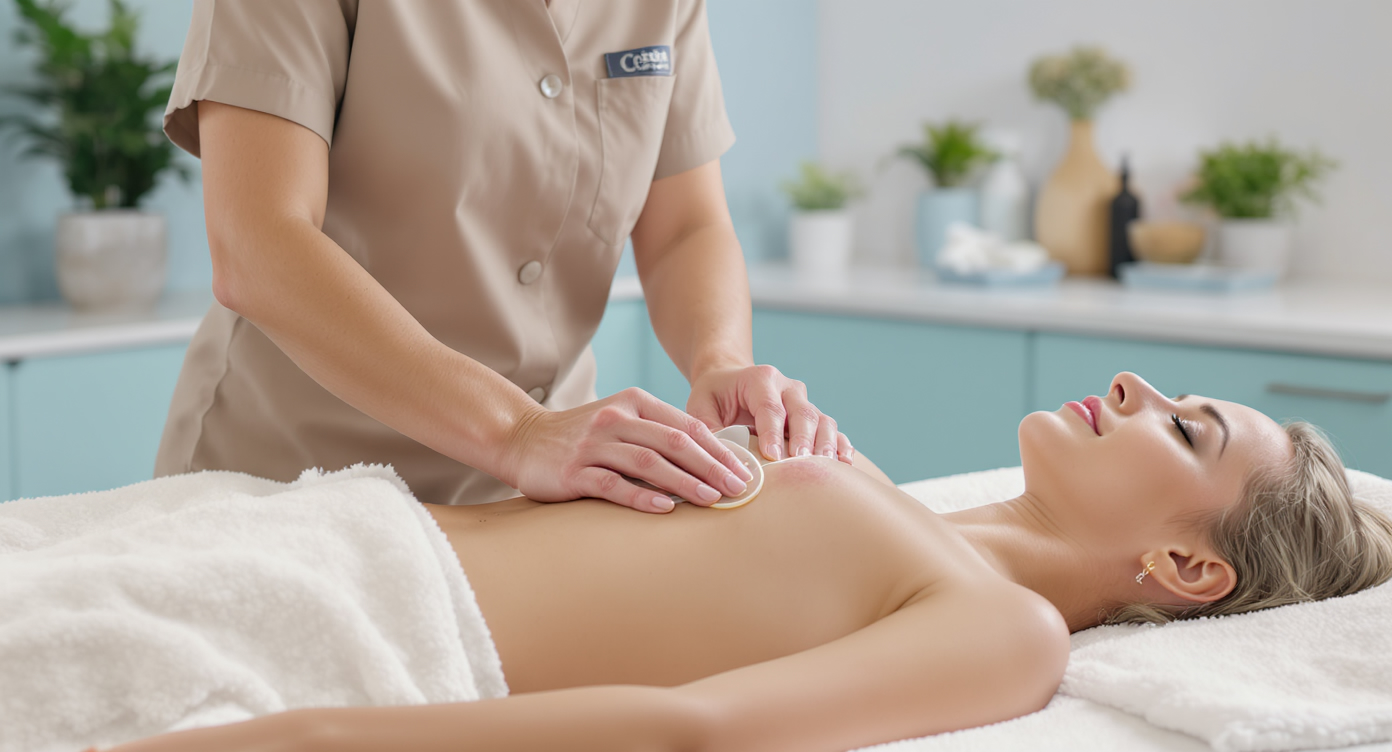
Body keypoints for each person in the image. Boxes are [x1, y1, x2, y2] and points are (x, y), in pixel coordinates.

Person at [93, 372, 1392, 751]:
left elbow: (694, 730)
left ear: (1189, 568)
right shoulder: (885, 488)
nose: (1133, 385)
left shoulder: (1006, 630)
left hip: (334, 629)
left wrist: (314, 741)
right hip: (307, 527)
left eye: (1187, 426)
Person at [154, 0, 852, 511]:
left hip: (549, 491)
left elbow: (685, 230)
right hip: (300, 482)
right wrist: (514, 432)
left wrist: (719, 358)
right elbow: (258, 243)